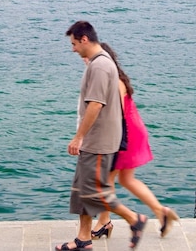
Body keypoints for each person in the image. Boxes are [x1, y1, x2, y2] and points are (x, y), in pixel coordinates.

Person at [57, 21, 148, 251]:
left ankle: (133, 219)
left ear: (84, 39)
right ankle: (83, 239)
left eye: (74, 43)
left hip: (98, 142)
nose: (73, 49)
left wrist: (78, 137)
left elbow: (95, 105)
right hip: (97, 141)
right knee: (82, 190)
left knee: (93, 192)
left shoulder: (99, 66)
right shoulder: (102, 62)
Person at [90, 41, 179, 241]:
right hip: (131, 131)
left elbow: (116, 113)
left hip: (124, 135)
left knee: (106, 180)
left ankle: (108, 221)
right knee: (121, 179)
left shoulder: (114, 82)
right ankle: (160, 212)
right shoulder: (114, 79)